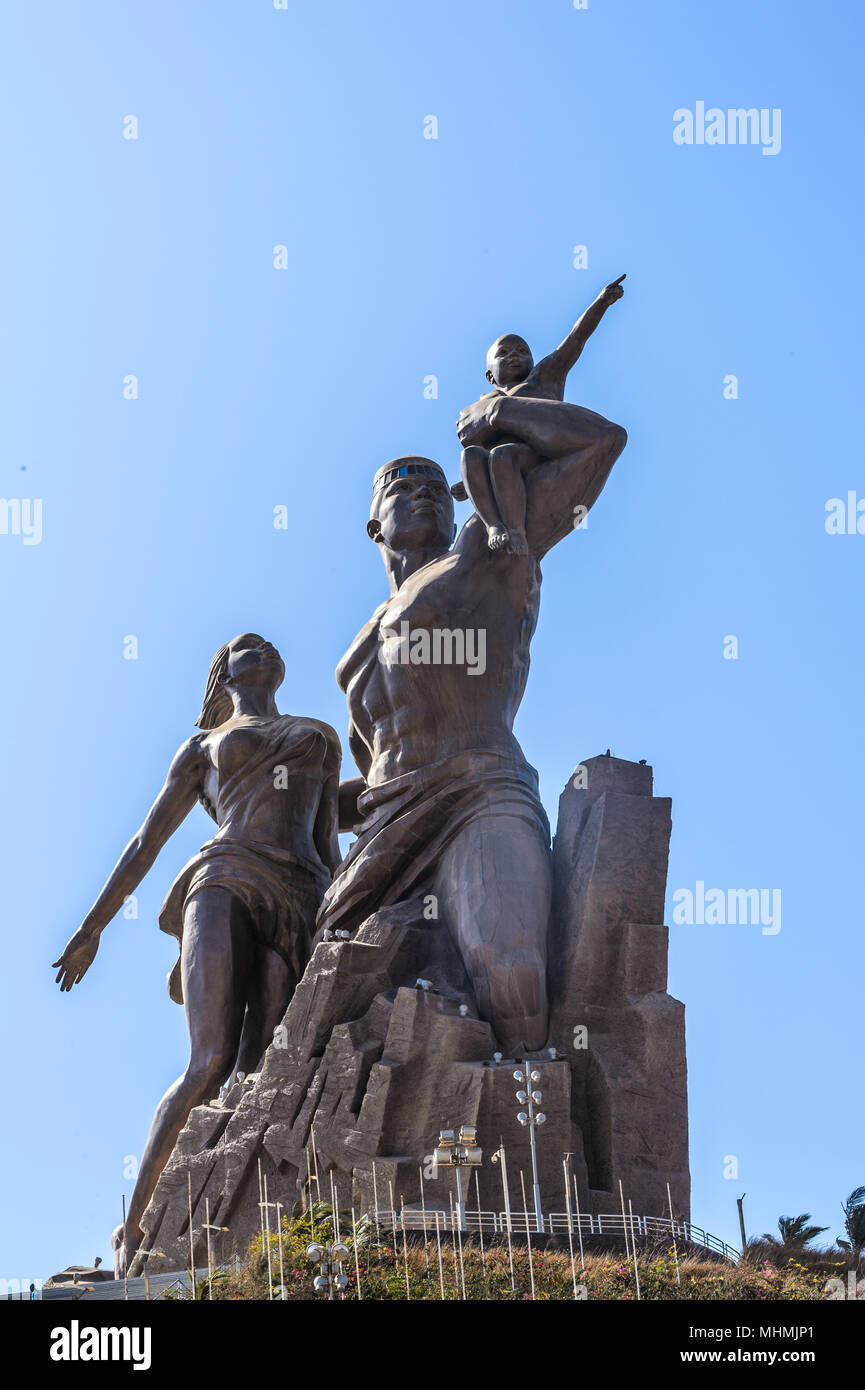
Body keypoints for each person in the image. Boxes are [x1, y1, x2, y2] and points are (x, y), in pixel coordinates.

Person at [319, 385, 626, 1055]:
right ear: (374, 525)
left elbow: (601, 443)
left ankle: (540, 1150)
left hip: (479, 795)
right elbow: (369, 779)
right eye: (401, 486)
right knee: (320, 1007)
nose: (423, 490)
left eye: (435, 482)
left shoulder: (486, 551)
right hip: (382, 833)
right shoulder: (354, 656)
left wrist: (502, 415)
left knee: (511, 976)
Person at [51, 632, 341, 1274]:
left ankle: (246, 1228)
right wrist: (93, 926)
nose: (260, 645)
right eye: (243, 646)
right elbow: (145, 844)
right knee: (209, 1061)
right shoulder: (203, 747)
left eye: (265, 643)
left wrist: (343, 914)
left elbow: (328, 841)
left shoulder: (321, 735)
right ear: (224, 679)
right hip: (227, 874)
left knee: (262, 1068)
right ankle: (134, 1232)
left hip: (302, 893)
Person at [454, 274, 625, 553]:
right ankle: (493, 525)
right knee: (470, 455)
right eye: (504, 353)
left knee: (504, 454)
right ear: (489, 375)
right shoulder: (482, 405)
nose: (514, 355)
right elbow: (479, 450)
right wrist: (469, 483)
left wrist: (602, 302)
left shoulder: (543, 378)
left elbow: (575, 339)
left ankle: (516, 530)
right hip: (496, 469)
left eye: (522, 350)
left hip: (532, 455)